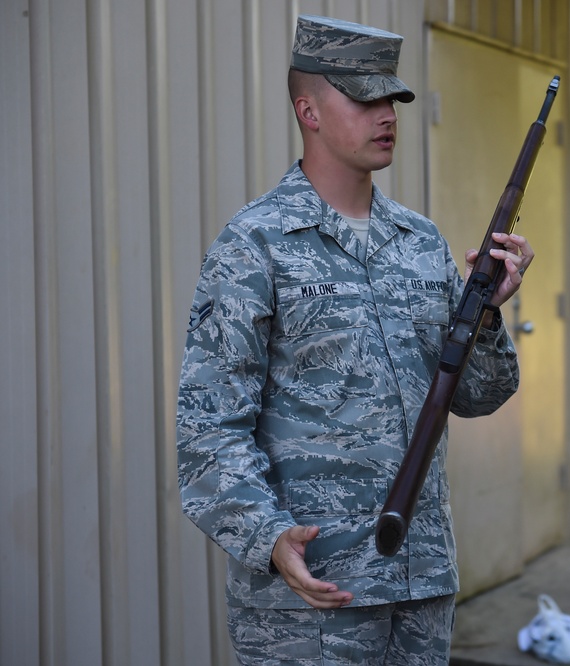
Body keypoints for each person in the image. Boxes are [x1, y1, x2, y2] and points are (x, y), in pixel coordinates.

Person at [176, 15, 532, 665]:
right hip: (308, 601)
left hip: (418, 585)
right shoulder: (255, 246)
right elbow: (207, 431)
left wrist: (486, 311)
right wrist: (267, 533)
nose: (385, 112)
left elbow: (478, 396)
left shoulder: (421, 243)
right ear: (307, 109)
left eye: (391, 96)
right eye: (363, 97)